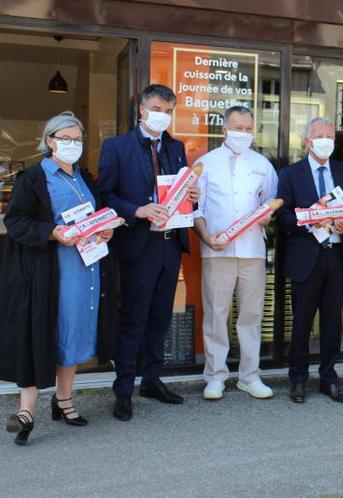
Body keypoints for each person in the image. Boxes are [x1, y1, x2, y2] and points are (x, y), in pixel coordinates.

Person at [0, 112, 117, 445]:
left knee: (72, 335)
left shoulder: (85, 179)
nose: (72, 145)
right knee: (40, 334)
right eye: (65, 138)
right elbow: (17, 222)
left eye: (77, 139)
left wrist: (103, 229)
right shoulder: (33, 178)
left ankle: (64, 399)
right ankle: (26, 413)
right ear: (49, 141)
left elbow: (93, 216)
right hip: (49, 274)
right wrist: (53, 232)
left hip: (85, 269)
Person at [98, 84, 199, 421]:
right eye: (157, 108)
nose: (163, 115)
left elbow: (180, 191)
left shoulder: (176, 147)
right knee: (133, 318)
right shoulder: (117, 147)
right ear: (141, 109)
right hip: (138, 245)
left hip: (170, 244)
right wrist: (137, 211)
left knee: (160, 317)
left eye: (169, 110)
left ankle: (152, 380)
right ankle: (124, 389)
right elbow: (106, 195)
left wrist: (192, 196)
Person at [192, 105, 277, 401]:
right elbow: (196, 210)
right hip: (217, 250)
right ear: (224, 129)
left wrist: (268, 217)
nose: (243, 134)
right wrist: (205, 236)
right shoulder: (206, 163)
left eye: (248, 128)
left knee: (251, 315)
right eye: (237, 128)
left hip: (253, 250)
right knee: (216, 314)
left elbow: (270, 204)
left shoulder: (263, 165)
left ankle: (249, 376)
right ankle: (215, 376)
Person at [276, 117, 343, 404]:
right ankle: (298, 379)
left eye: (329, 136)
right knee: (301, 322)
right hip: (305, 257)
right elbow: (282, 217)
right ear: (307, 141)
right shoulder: (290, 174)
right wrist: (310, 218)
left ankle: (329, 378)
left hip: (336, 256)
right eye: (319, 135)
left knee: (332, 322)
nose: (325, 140)